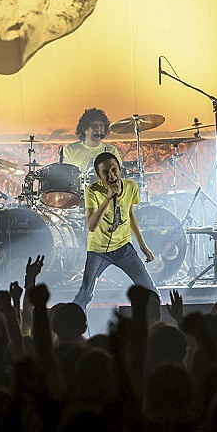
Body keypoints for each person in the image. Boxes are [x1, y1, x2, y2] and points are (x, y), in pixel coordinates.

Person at [72, 152, 158, 311]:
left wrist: (142, 245)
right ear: (99, 176)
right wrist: (108, 198)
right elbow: (91, 226)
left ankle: (157, 324)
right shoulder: (92, 191)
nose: (111, 176)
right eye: (105, 173)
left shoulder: (131, 187)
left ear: (120, 170)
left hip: (124, 248)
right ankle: (69, 323)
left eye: (114, 170)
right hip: (98, 251)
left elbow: (129, 214)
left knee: (150, 290)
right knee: (85, 293)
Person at [62, 107, 122, 180]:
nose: (98, 128)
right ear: (84, 129)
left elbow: (119, 176)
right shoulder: (69, 150)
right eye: (94, 125)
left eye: (101, 125)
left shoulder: (111, 151)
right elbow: (65, 177)